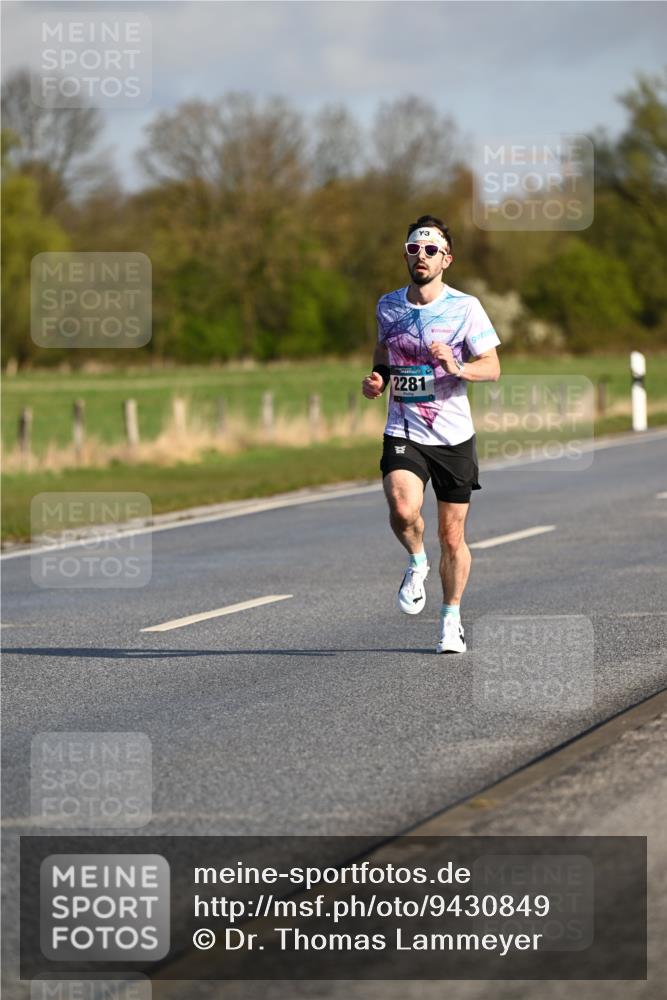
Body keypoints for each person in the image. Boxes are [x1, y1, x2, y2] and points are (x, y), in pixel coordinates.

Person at [362, 215, 501, 653]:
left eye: (429, 250)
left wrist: (457, 366)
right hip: (403, 427)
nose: (420, 256)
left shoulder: (465, 307)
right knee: (403, 509)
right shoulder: (388, 306)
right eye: (413, 249)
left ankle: (450, 618)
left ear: (446, 259)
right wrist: (378, 379)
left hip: (453, 435)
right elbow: (383, 354)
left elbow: (492, 367)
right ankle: (416, 560)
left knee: (453, 537)